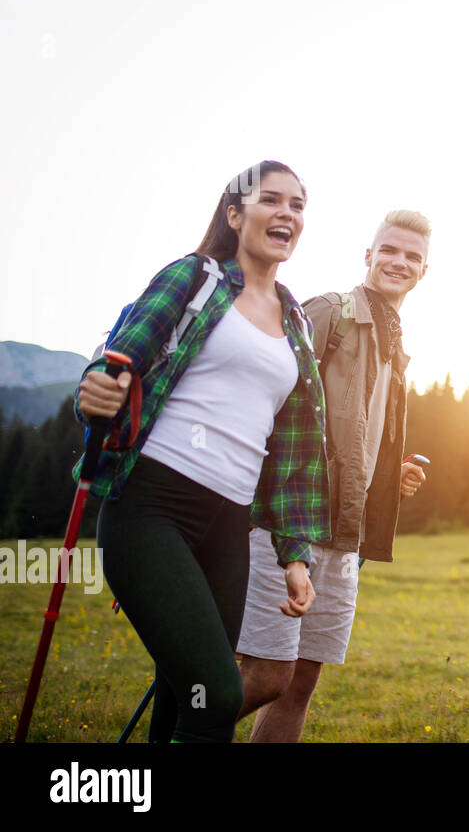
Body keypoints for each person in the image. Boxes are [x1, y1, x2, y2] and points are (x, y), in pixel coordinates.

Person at [75, 160, 328, 743]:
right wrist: (97, 391)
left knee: (184, 696)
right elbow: (119, 360)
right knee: (218, 693)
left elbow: (292, 455)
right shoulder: (195, 279)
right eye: (271, 200)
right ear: (235, 215)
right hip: (152, 507)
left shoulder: (295, 323)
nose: (287, 212)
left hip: (227, 525)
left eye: (298, 204)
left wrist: (294, 555)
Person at [236, 210, 431, 742]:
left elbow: (354, 435)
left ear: (424, 271)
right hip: (286, 523)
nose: (399, 261)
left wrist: (390, 474)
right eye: (389, 250)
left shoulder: (394, 342)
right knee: (263, 674)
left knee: (300, 680)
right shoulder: (329, 313)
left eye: (412, 256)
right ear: (368, 255)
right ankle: (182, 727)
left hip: (343, 536)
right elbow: (270, 404)